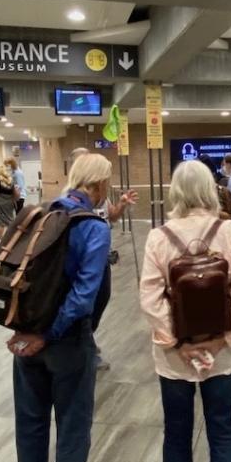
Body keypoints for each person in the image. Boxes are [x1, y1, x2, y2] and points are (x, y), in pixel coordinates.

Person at [139, 159, 231, 462]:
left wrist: (177, 343)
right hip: (222, 357)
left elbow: (151, 299)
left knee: (176, 434)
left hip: (173, 360)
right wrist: (223, 339)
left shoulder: (159, 237)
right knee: (222, 434)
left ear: (175, 191)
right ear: (209, 189)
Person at [6, 153, 113, 462]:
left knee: (30, 422)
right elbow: (85, 297)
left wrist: (29, 332)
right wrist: (50, 335)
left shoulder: (39, 216)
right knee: (72, 424)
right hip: (65, 341)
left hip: (25, 338)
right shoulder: (93, 227)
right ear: (99, 185)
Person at [70, 147, 137, 371]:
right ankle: (84, 346)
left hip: (101, 258)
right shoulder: (68, 200)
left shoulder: (101, 198)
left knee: (102, 297)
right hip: (83, 262)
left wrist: (123, 204)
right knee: (85, 301)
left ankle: (86, 338)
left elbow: (112, 217)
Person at [0, 165, 19, 240]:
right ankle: (11, 239)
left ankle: (2, 240)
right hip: (9, 203)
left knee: (0, 222)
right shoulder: (11, 181)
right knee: (10, 219)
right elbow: (15, 192)